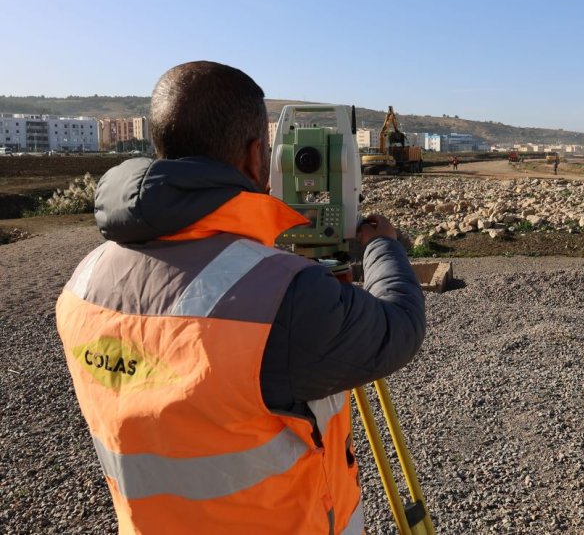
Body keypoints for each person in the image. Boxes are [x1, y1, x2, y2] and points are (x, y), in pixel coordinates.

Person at [55, 61, 425, 535]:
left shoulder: (83, 282)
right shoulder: (284, 299)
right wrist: (381, 245)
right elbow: (399, 328)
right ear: (256, 157)